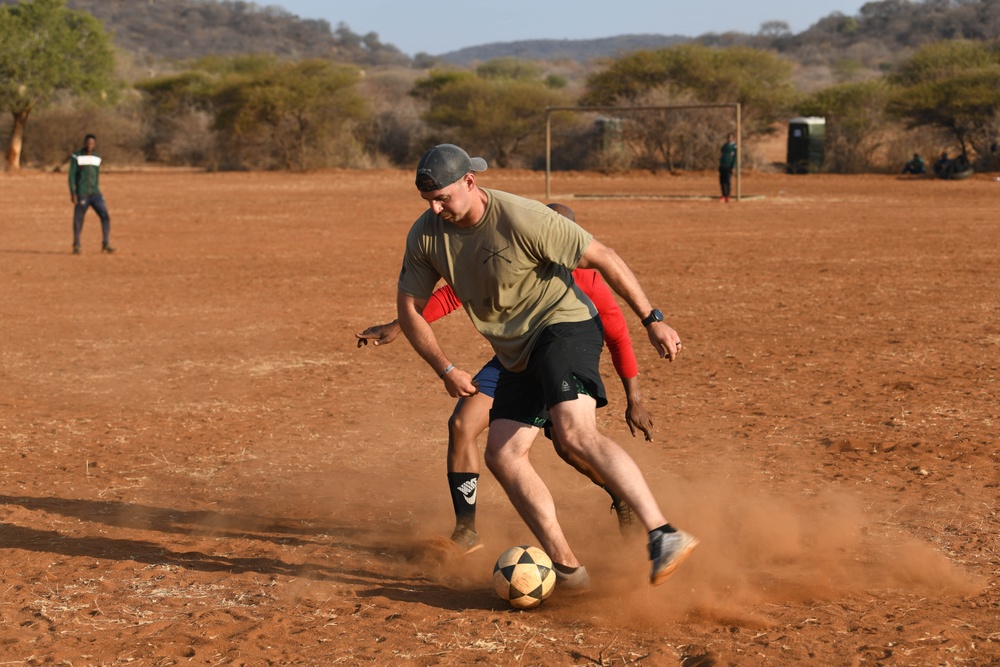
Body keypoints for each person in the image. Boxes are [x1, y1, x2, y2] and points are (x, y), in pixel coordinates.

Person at [396, 143, 698, 589]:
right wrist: (445, 367)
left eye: (443, 198)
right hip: (514, 351)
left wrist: (652, 319)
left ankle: (663, 534)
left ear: (470, 182)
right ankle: (570, 570)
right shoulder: (426, 234)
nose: (436, 208)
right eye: (429, 201)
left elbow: (605, 258)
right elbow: (410, 308)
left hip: (564, 326)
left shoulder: (522, 216)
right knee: (502, 452)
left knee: (574, 434)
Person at [357, 203, 654, 555]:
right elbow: (454, 293)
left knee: (569, 445)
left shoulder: (588, 280)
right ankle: (466, 531)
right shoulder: (515, 252)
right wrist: (399, 325)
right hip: (513, 361)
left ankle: (619, 494)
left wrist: (634, 398)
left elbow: (618, 336)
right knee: (462, 424)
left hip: (561, 357)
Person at [69, 134, 114, 255]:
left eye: (92, 144)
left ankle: (106, 243)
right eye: (87, 143)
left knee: (105, 215)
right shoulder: (76, 156)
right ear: (84, 143)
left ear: (95, 144)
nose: (89, 146)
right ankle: (77, 244)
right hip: (82, 193)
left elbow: (96, 175)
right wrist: (73, 193)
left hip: (95, 193)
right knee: (79, 219)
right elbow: (71, 176)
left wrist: (97, 189)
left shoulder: (97, 157)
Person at [719, 132, 737, 203]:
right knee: (722, 181)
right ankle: (723, 195)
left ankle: (728, 196)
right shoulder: (725, 146)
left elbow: (735, 157)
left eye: (731, 138)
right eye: (728, 138)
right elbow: (722, 151)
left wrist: (733, 166)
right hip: (723, 165)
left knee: (728, 181)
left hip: (729, 166)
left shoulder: (734, 147)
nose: (729, 139)